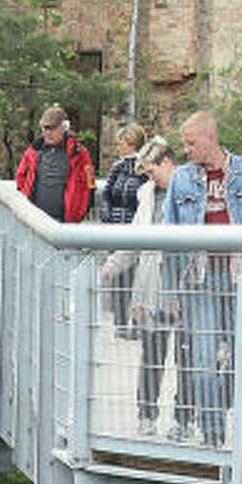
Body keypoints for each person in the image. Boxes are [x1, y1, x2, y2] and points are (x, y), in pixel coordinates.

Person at [160, 109, 242, 445]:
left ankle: (227, 416)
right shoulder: (181, 178)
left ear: (210, 138)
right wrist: (170, 290)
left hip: (241, 278)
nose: (186, 150)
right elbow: (168, 239)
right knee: (203, 360)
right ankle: (212, 433)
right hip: (200, 279)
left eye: (191, 143)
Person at [124, 135, 181, 431]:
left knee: (186, 355)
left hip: (182, 284)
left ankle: (184, 418)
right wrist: (113, 266)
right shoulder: (147, 193)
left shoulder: (188, 190)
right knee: (152, 353)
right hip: (151, 285)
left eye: (151, 171)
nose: (149, 178)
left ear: (167, 162)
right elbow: (135, 236)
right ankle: (146, 414)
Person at [97, 122, 146, 331]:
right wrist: (107, 214)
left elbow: (145, 198)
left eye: (122, 143)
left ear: (132, 144)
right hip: (115, 228)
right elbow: (107, 194)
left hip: (135, 229)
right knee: (117, 275)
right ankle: (120, 321)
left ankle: (135, 321)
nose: (119, 146)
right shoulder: (117, 167)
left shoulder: (144, 168)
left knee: (136, 276)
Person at [15, 104, 95, 223]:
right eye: (45, 128)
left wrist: (79, 213)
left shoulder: (80, 153)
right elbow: (20, 178)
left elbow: (90, 184)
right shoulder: (32, 151)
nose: (48, 132)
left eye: (53, 128)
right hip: (34, 220)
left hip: (66, 222)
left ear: (64, 127)